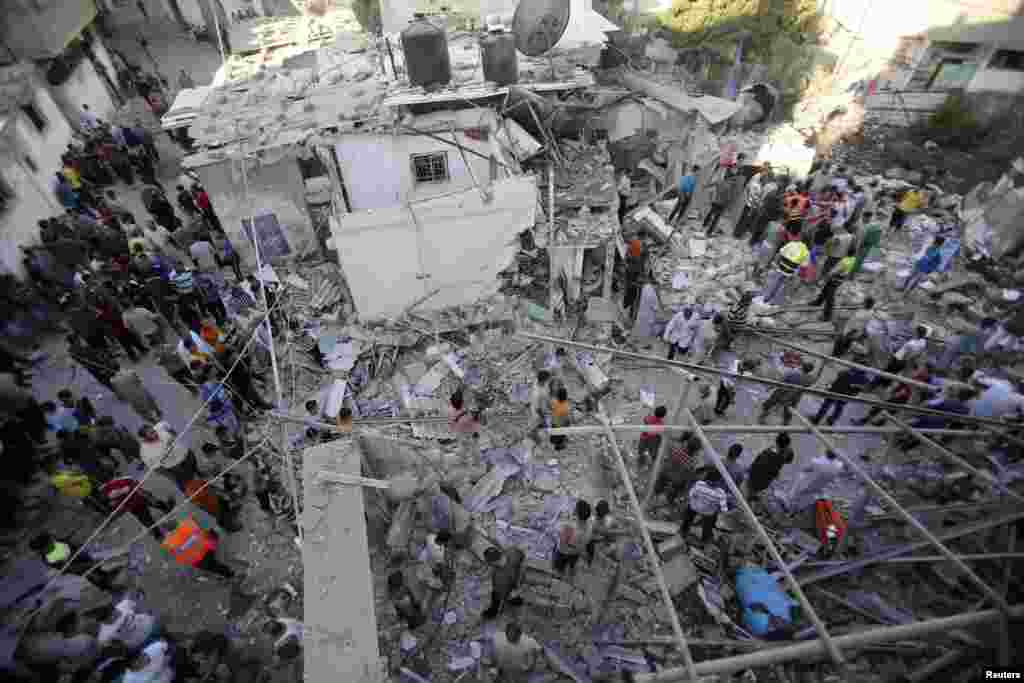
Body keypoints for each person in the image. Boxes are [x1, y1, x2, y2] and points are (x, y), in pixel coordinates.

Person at [161, 517, 234, 578]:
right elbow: (202, 530)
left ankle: (228, 574)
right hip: (208, 547)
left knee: (214, 566)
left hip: (198, 560)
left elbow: (174, 554)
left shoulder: (168, 542)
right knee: (212, 532)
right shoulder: (188, 523)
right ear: (176, 522)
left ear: (166, 530)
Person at [759, 361, 815, 425]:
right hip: (794, 397)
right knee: (788, 411)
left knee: (772, 405)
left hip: (782, 393)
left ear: (802, 367)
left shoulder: (792, 373)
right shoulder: (810, 379)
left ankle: (762, 417)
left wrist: (770, 387)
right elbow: (808, 385)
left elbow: (780, 381)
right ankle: (785, 424)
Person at [679, 470, 728, 544]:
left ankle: (683, 530)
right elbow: (724, 509)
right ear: (719, 481)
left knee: (689, 515)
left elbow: (691, 495)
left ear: (706, 477)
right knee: (709, 521)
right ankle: (705, 538)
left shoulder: (699, 484)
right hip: (708, 512)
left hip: (694, 507)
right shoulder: (721, 493)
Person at [483, 544, 526, 619]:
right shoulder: (512, 552)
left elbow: (500, 593)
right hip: (516, 583)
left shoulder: (499, 577)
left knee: (498, 596)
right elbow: (522, 556)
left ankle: (493, 612)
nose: (490, 565)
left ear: (494, 562)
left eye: (489, 563)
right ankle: (516, 601)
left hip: (511, 588)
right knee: (511, 596)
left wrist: (518, 589)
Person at [761, 238, 809, 305]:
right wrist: (801, 275)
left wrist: (775, 262)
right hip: (790, 271)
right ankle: (774, 301)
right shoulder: (806, 252)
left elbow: (781, 252)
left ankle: (766, 297)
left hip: (781, 266)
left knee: (775, 281)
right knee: (782, 285)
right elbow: (804, 265)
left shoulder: (792, 243)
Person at [553, 499, 593, 578]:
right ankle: (571, 571)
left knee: (559, 566)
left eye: (575, 508)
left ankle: (559, 575)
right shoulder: (589, 526)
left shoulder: (570, 527)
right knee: (572, 562)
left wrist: (560, 525)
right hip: (576, 553)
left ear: (576, 512)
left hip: (563, 552)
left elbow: (562, 540)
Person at [809, 255, 856, 322]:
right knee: (825, 290)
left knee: (830, 297)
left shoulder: (845, 261)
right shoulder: (853, 259)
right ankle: (818, 302)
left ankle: (827, 315)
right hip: (839, 279)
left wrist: (826, 277)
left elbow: (835, 271)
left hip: (835, 279)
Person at [746, 434, 795, 498]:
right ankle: (753, 494)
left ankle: (753, 493)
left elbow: (756, 462)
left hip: (756, 478)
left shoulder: (769, 451)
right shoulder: (778, 457)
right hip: (759, 481)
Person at [704, 166, 742, 235]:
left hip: (716, 201)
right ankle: (709, 231)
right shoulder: (730, 185)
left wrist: (705, 186)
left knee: (711, 213)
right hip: (722, 204)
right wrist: (729, 205)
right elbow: (729, 197)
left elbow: (712, 184)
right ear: (730, 178)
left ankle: (704, 225)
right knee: (716, 218)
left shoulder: (720, 181)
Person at [549, 387, 571, 451]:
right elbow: (566, 420)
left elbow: (551, 408)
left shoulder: (553, 401)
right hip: (560, 426)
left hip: (554, 423)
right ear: (565, 397)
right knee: (560, 435)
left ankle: (557, 443)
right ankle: (559, 443)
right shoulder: (565, 407)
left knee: (555, 436)